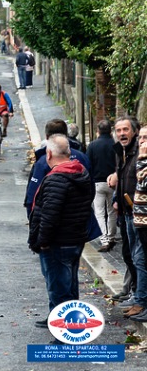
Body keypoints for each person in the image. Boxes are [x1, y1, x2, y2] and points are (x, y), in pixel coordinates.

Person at [28, 134, 94, 323]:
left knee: (59, 290)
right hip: (75, 239)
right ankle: (70, 328)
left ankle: (64, 337)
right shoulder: (80, 173)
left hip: (58, 242)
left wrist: (42, 242)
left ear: (48, 154)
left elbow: (49, 215)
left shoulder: (56, 178)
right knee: (70, 287)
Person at [107, 117, 146, 318]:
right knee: (131, 256)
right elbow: (123, 178)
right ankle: (137, 295)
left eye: (126, 129)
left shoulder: (139, 153)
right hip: (127, 212)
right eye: (118, 130)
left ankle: (141, 300)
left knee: (139, 258)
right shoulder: (121, 152)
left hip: (139, 214)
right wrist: (116, 197)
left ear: (135, 132)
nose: (122, 133)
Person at [24, 119, 91, 218]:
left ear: (47, 137)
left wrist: (34, 224)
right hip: (81, 220)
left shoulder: (43, 162)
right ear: (66, 135)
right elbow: (91, 188)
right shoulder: (82, 157)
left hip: (52, 222)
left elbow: (32, 196)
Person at [87, 120, 117, 252]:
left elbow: (88, 164)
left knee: (99, 212)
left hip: (97, 182)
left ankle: (104, 238)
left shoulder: (93, 145)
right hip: (113, 182)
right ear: (110, 131)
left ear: (97, 131)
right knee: (111, 211)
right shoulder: (115, 145)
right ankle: (111, 236)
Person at [130, 125, 147, 322]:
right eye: (141, 137)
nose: (142, 141)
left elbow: (143, 183)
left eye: (146, 138)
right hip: (141, 221)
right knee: (140, 260)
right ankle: (142, 302)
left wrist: (142, 158)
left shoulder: (143, 160)